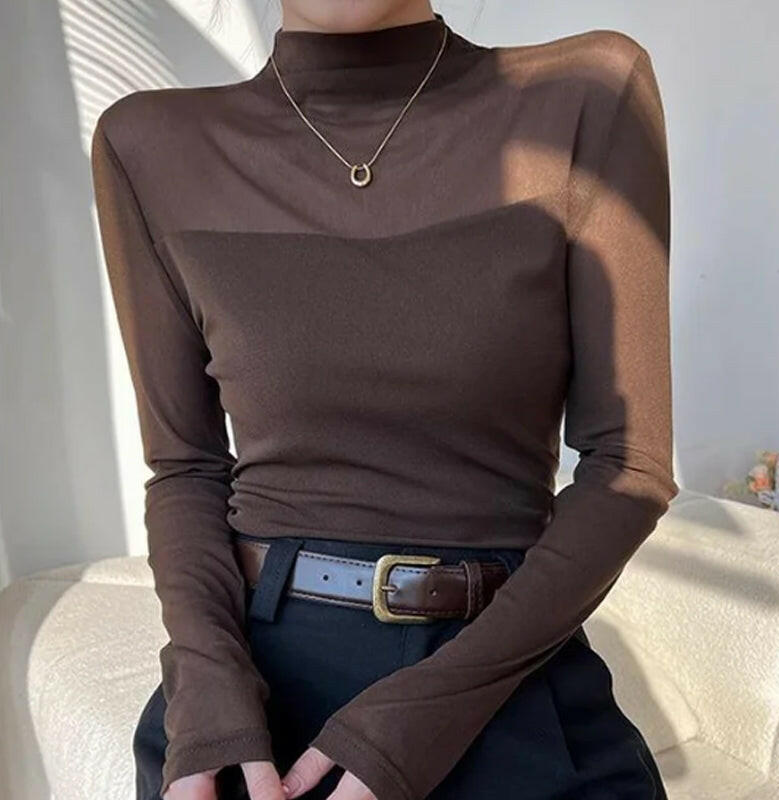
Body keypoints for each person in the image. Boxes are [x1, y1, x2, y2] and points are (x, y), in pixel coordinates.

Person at [90, 1, 679, 798]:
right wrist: (207, 694)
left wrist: (414, 725)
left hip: (497, 682)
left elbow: (628, 465)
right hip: (249, 710)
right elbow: (186, 467)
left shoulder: (587, 92)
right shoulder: (148, 145)